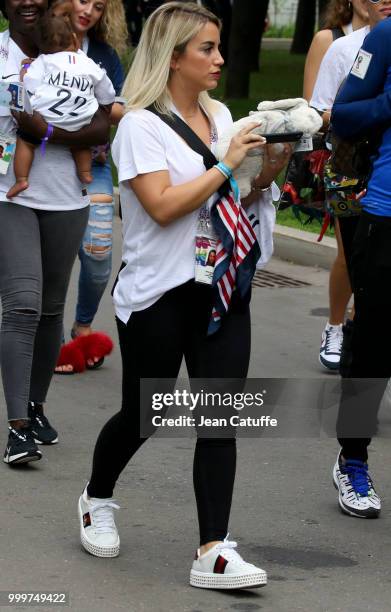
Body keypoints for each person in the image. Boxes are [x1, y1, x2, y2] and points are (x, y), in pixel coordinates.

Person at [77, 1, 291, 590]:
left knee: (220, 416)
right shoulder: (141, 125)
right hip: (159, 293)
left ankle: (212, 551)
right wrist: (226, 166)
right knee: (143, 416)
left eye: (220, 48)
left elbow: (238, 196)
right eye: (207, 49)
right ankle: (96, 496)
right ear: (173, 58)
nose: (220, 59)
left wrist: (273, 161)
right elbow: (165, 205)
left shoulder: (221, 115)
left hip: (221, 287)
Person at [0, 0, 110, 465]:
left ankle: (36, 407)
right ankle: (17, 428)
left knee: (49, 309)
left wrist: (48, 133)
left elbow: (104, 122)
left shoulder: (82, 54)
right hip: (10, 195)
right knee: (22, 302)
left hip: (67, 198)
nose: (26, 1)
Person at [331, 1, 391, 519]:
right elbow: (344, 116)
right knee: (375, 347)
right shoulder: (386, 36)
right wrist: (390, 101)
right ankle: (352, 458)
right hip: (388, 214)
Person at [55, 0, 128, 373]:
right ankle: (46, 342)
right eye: (83, 0)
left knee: (99, 253)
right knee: (46, 259)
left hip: (93, 164)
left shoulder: (103, 54)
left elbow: (119, 105)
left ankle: (82, 327)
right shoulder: (36, 44)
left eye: (99, 6)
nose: (89, 11)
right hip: (41, 164)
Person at [304, 0, 369, 372]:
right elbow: (316, 110)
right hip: (344, 168)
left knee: (374, 259)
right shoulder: (332, 42)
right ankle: (335, 326)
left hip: (380, 166)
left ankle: (361, 331)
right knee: (350, 254)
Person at [6, 7, 115, 198]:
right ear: (74, 39)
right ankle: (86, 173)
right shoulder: (87, 62)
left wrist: (24, 76)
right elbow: (106, 91)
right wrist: (105, 104)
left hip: (45, 120)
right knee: (81, 145)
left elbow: (29, 85)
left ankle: (22, 179)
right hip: (80, 120)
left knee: (26, 140)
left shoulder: (43, 61)